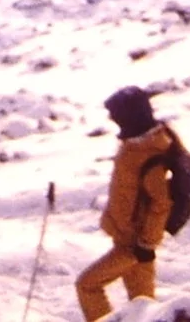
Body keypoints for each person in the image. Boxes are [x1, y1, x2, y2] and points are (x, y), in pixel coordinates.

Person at [75, 86, 180, 321]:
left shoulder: (148, 151)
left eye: (118, 117)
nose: (115, 121)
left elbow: (161, 203)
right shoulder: (137, 145)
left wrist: (147, 244)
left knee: (87, 285)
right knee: (143, 308)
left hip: (134, 246)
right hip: (129, 240)